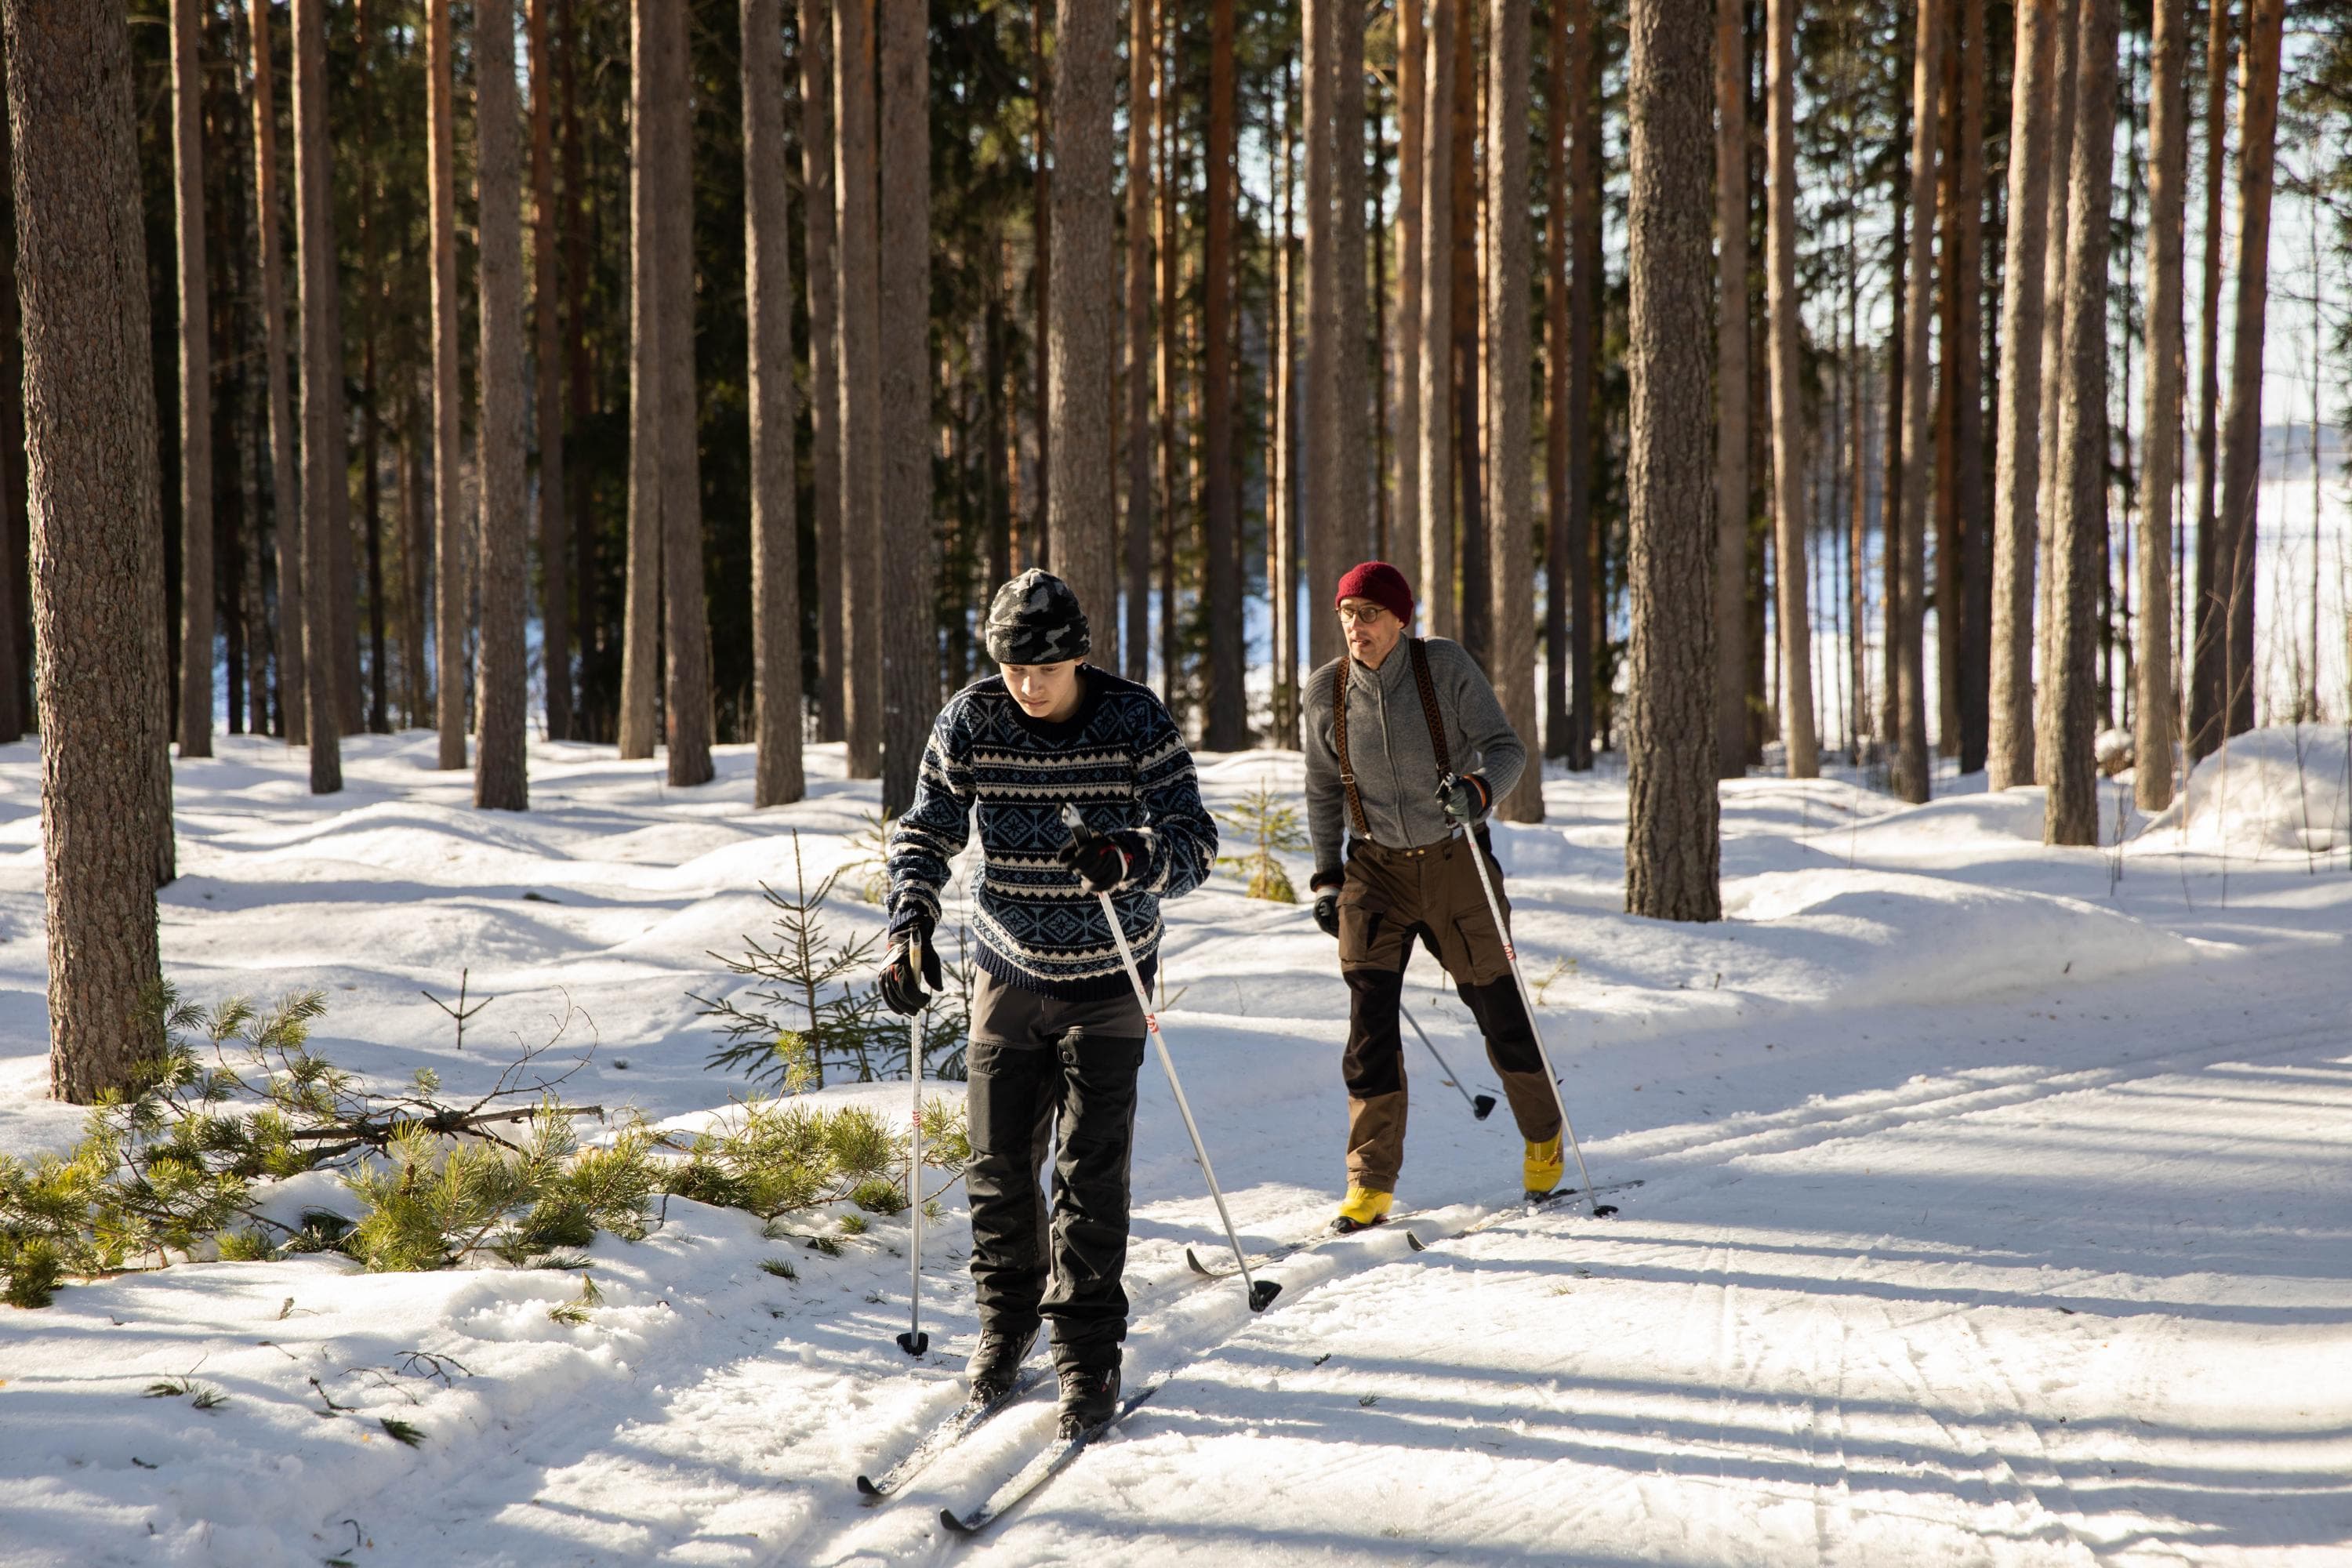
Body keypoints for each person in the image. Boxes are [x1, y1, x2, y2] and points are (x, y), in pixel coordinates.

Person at [877, 568, 1216, 1438]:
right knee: (995, 1171)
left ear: (1079, 656)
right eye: (1012, 666)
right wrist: (909, 921)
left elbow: (1195, 838)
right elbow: (925, 830)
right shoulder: (972, 717)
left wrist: (1134, 856)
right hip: (1008, 970)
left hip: (1109, 973)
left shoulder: (1134, 716)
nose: (1028, 683)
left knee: (1088, 1178)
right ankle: (1007, 1323)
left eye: (1046, 668)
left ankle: (1087, 1352)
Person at [1301, 561, 1563, 1232]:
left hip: (1454, 865)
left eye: (1370, 615)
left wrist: (1478, 790)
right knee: (1369, 1030)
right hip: (1375, 874)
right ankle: (1370, 1183)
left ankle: (1543, 1134)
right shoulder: (1326, 691)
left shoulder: (1442, 667)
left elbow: (1507, 749)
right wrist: (1328, 876)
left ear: (1400, 619)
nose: (1356, 627)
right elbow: (1324, 790)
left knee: (1497, 1010)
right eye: (1348, 615)